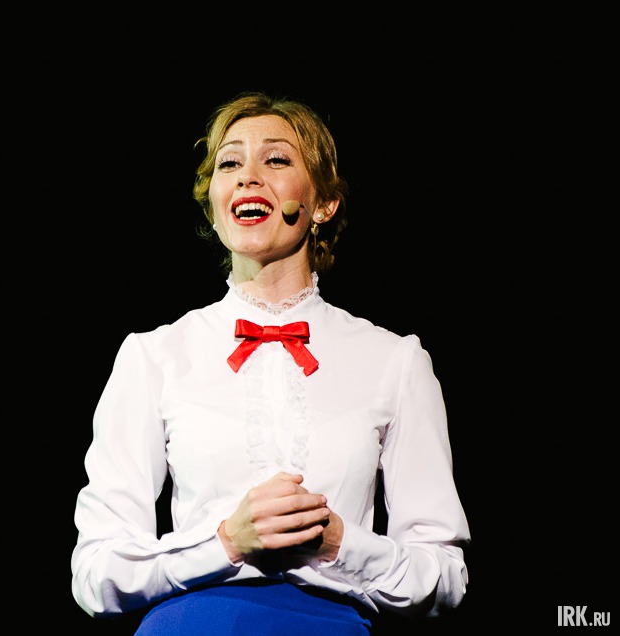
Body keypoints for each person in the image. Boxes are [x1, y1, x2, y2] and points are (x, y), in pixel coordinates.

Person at [70, 91, 470, 635]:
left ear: (323, 204)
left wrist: (339, 543)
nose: (248, 177)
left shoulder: (394, 360)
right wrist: (225, 543)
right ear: (213, 206)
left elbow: (443, 576)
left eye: (276, 159)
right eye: (229, 163)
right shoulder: (155, 355)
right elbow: (96, 574)